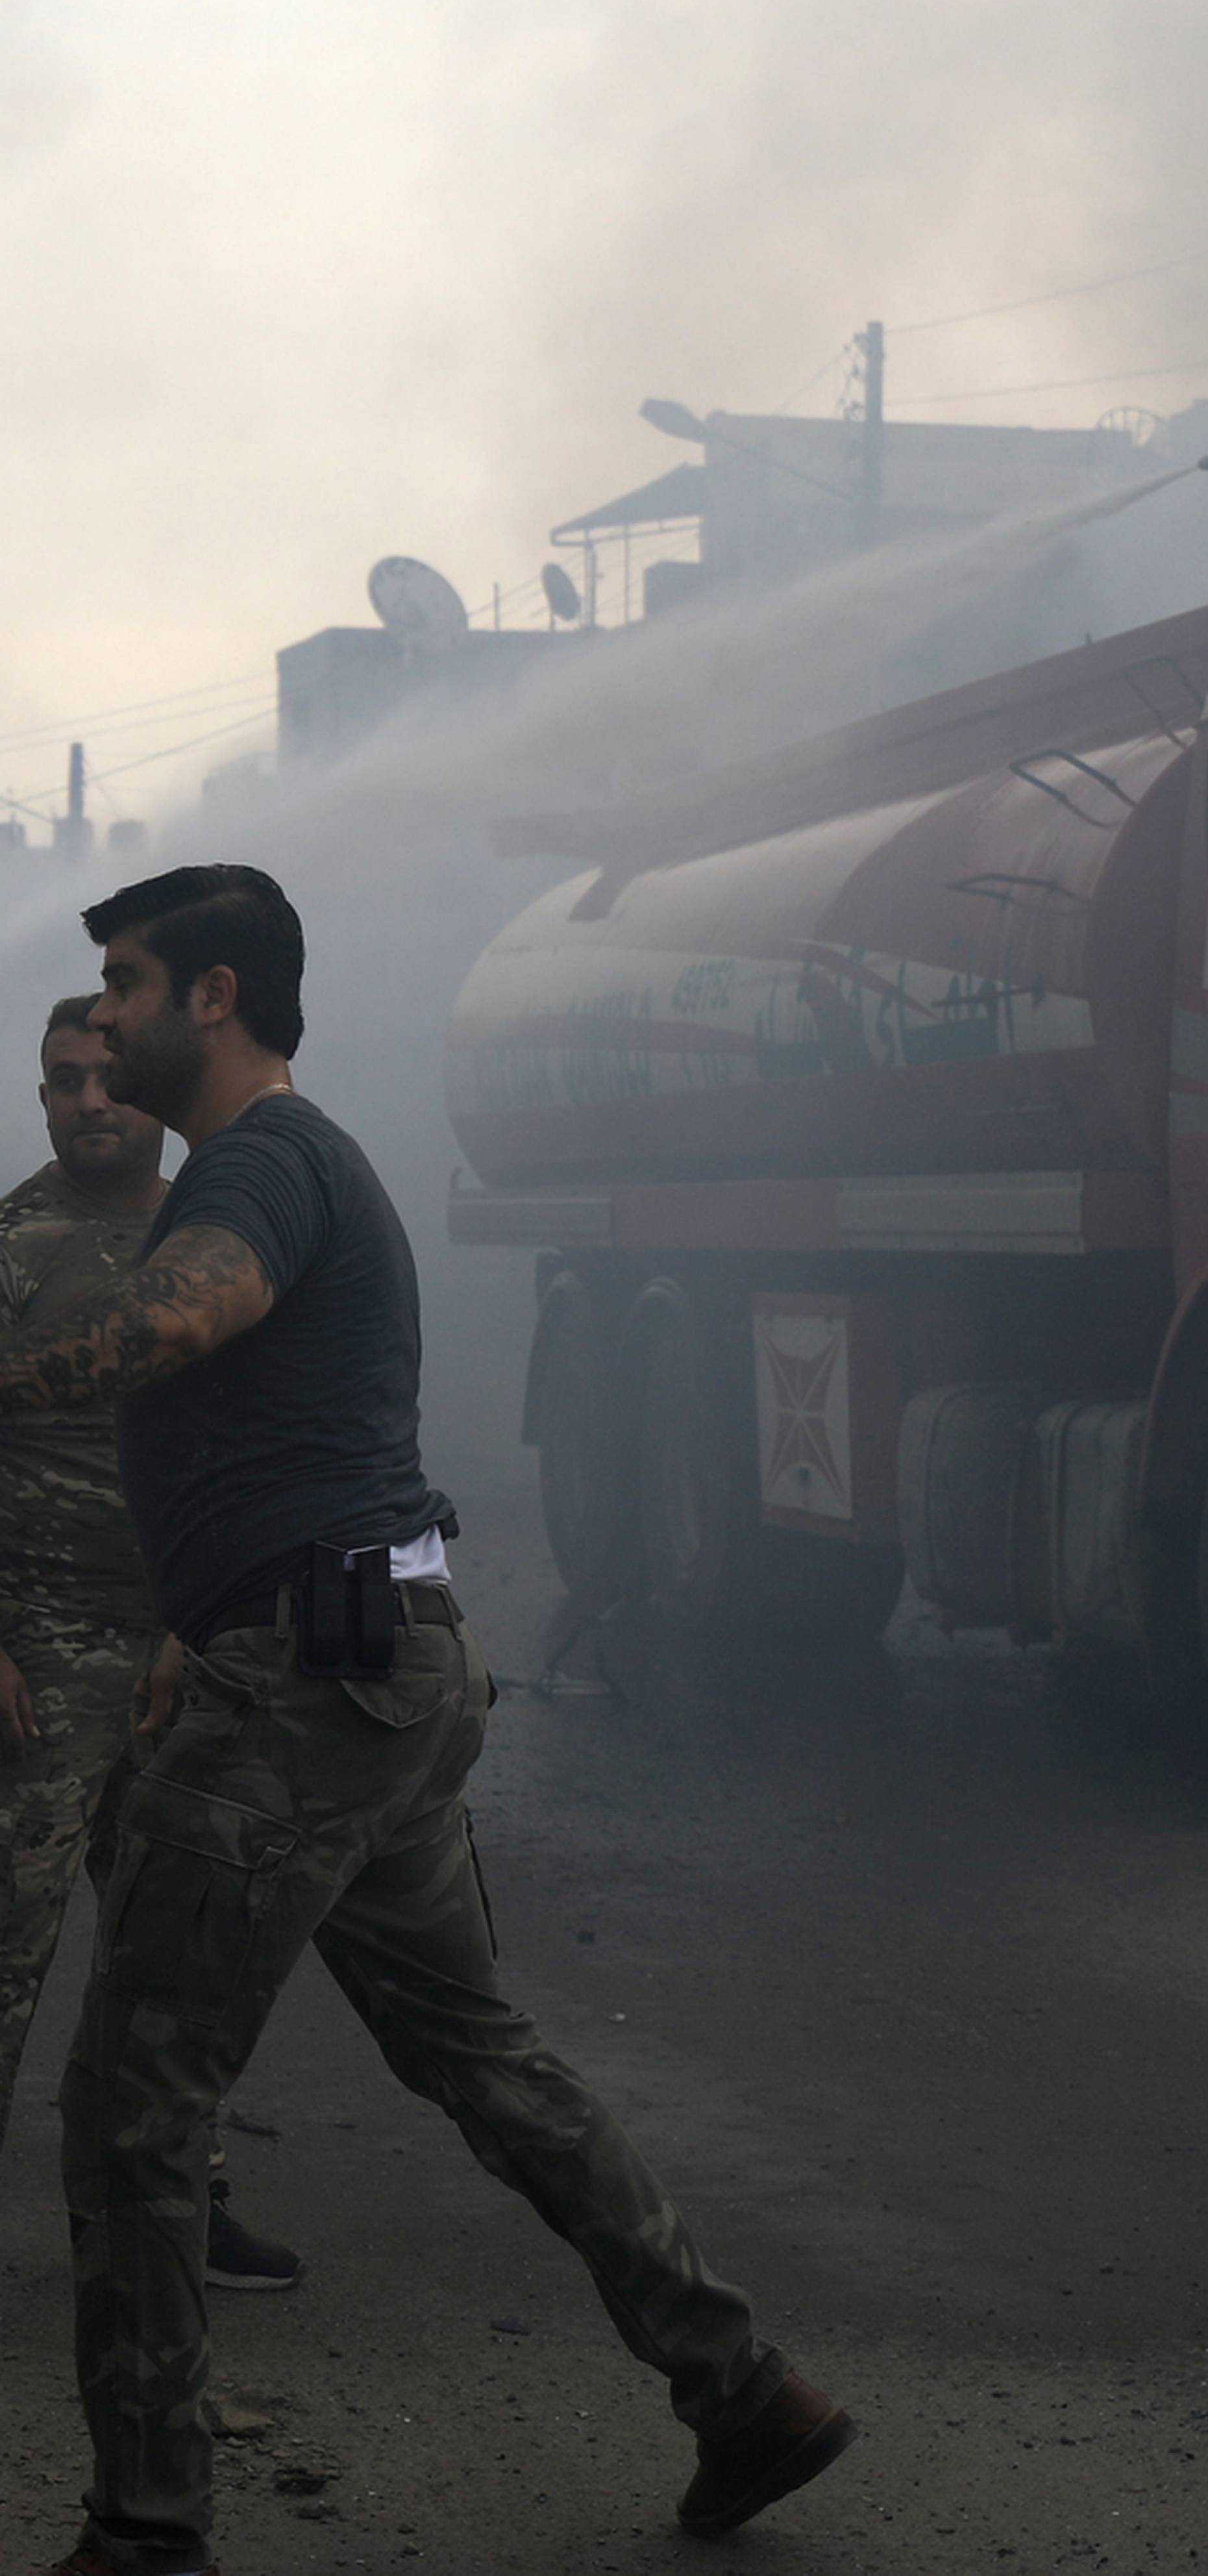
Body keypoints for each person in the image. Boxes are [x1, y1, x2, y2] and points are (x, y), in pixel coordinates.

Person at [5, 865, 854, 2576]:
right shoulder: (282, 1162)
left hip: (303, 1688)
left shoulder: (263, 1168)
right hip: (367, 1656)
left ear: (216, 996)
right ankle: (743, 2386)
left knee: (135, 2100)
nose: (99, 1021)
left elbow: (189, 1319)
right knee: (476, 2048)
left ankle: (148, 2527)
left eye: (123, 982)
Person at [0, 994, 302, 2293]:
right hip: (40, 1658)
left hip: (182, 1654)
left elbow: (242, 1441)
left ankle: (178, 2207)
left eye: (110, 1079)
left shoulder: (212, 1233)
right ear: (43, 1096)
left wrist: (209, 1622)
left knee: (172, 1961)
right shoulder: (14, 1245)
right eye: (63, 1081)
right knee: (8, 1946)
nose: (88, 1103)